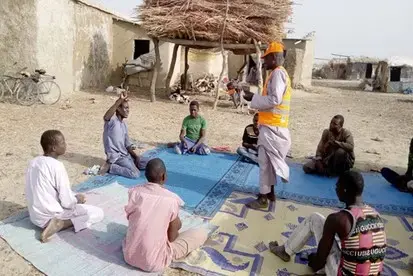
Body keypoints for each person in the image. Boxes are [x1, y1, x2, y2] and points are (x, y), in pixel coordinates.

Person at [269, 170, 386, 276]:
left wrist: (314, 261)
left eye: (337, 186)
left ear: (344, 190)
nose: (335, 189)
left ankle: (285, 251)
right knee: (349, 242)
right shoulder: (375, 214)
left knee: (314, 219)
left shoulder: (338, 219)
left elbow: (319, 262)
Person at [123, 158, 208, 272]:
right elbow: (172, 238)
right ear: (163, 176)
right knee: (201, 233)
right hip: (153, 263)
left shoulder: (134, 192)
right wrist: (175, 225)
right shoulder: (171, 199)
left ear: (146, 175)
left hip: (129, 256)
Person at [25, 130, 104, 243]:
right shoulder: (57, 166)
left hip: (35, 217)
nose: (65, 145)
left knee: (71, 194)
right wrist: (77, 200)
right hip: (51, 215)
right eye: (62, 142)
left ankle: (57, 221)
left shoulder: (33, 162)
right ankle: (62, 224)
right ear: (53, 148)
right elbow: (67, 203)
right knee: (97, 213)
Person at [242, 42, 292, 208]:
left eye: (266, 58)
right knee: (269, 163)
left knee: (264, 163)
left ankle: (263, 198)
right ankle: (270, 193)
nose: (264, 62)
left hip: (273, 128)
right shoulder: (279, 73)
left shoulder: (278, 74)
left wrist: (252, 98)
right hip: (274, 126)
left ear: (273, 57)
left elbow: (274, 100)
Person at [100, 92, 150, 179]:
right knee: (135, 174)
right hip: (116, 157)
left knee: (150, 164)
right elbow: (106, 116)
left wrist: (136, 157)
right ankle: (111, 167)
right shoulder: (112, 122)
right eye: (125, 108)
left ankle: (132, 164)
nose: (128, 110)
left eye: (128, 108)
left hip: (126, 155)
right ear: (118, 109)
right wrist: (120, 100)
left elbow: (127, 145)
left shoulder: (124, 124)